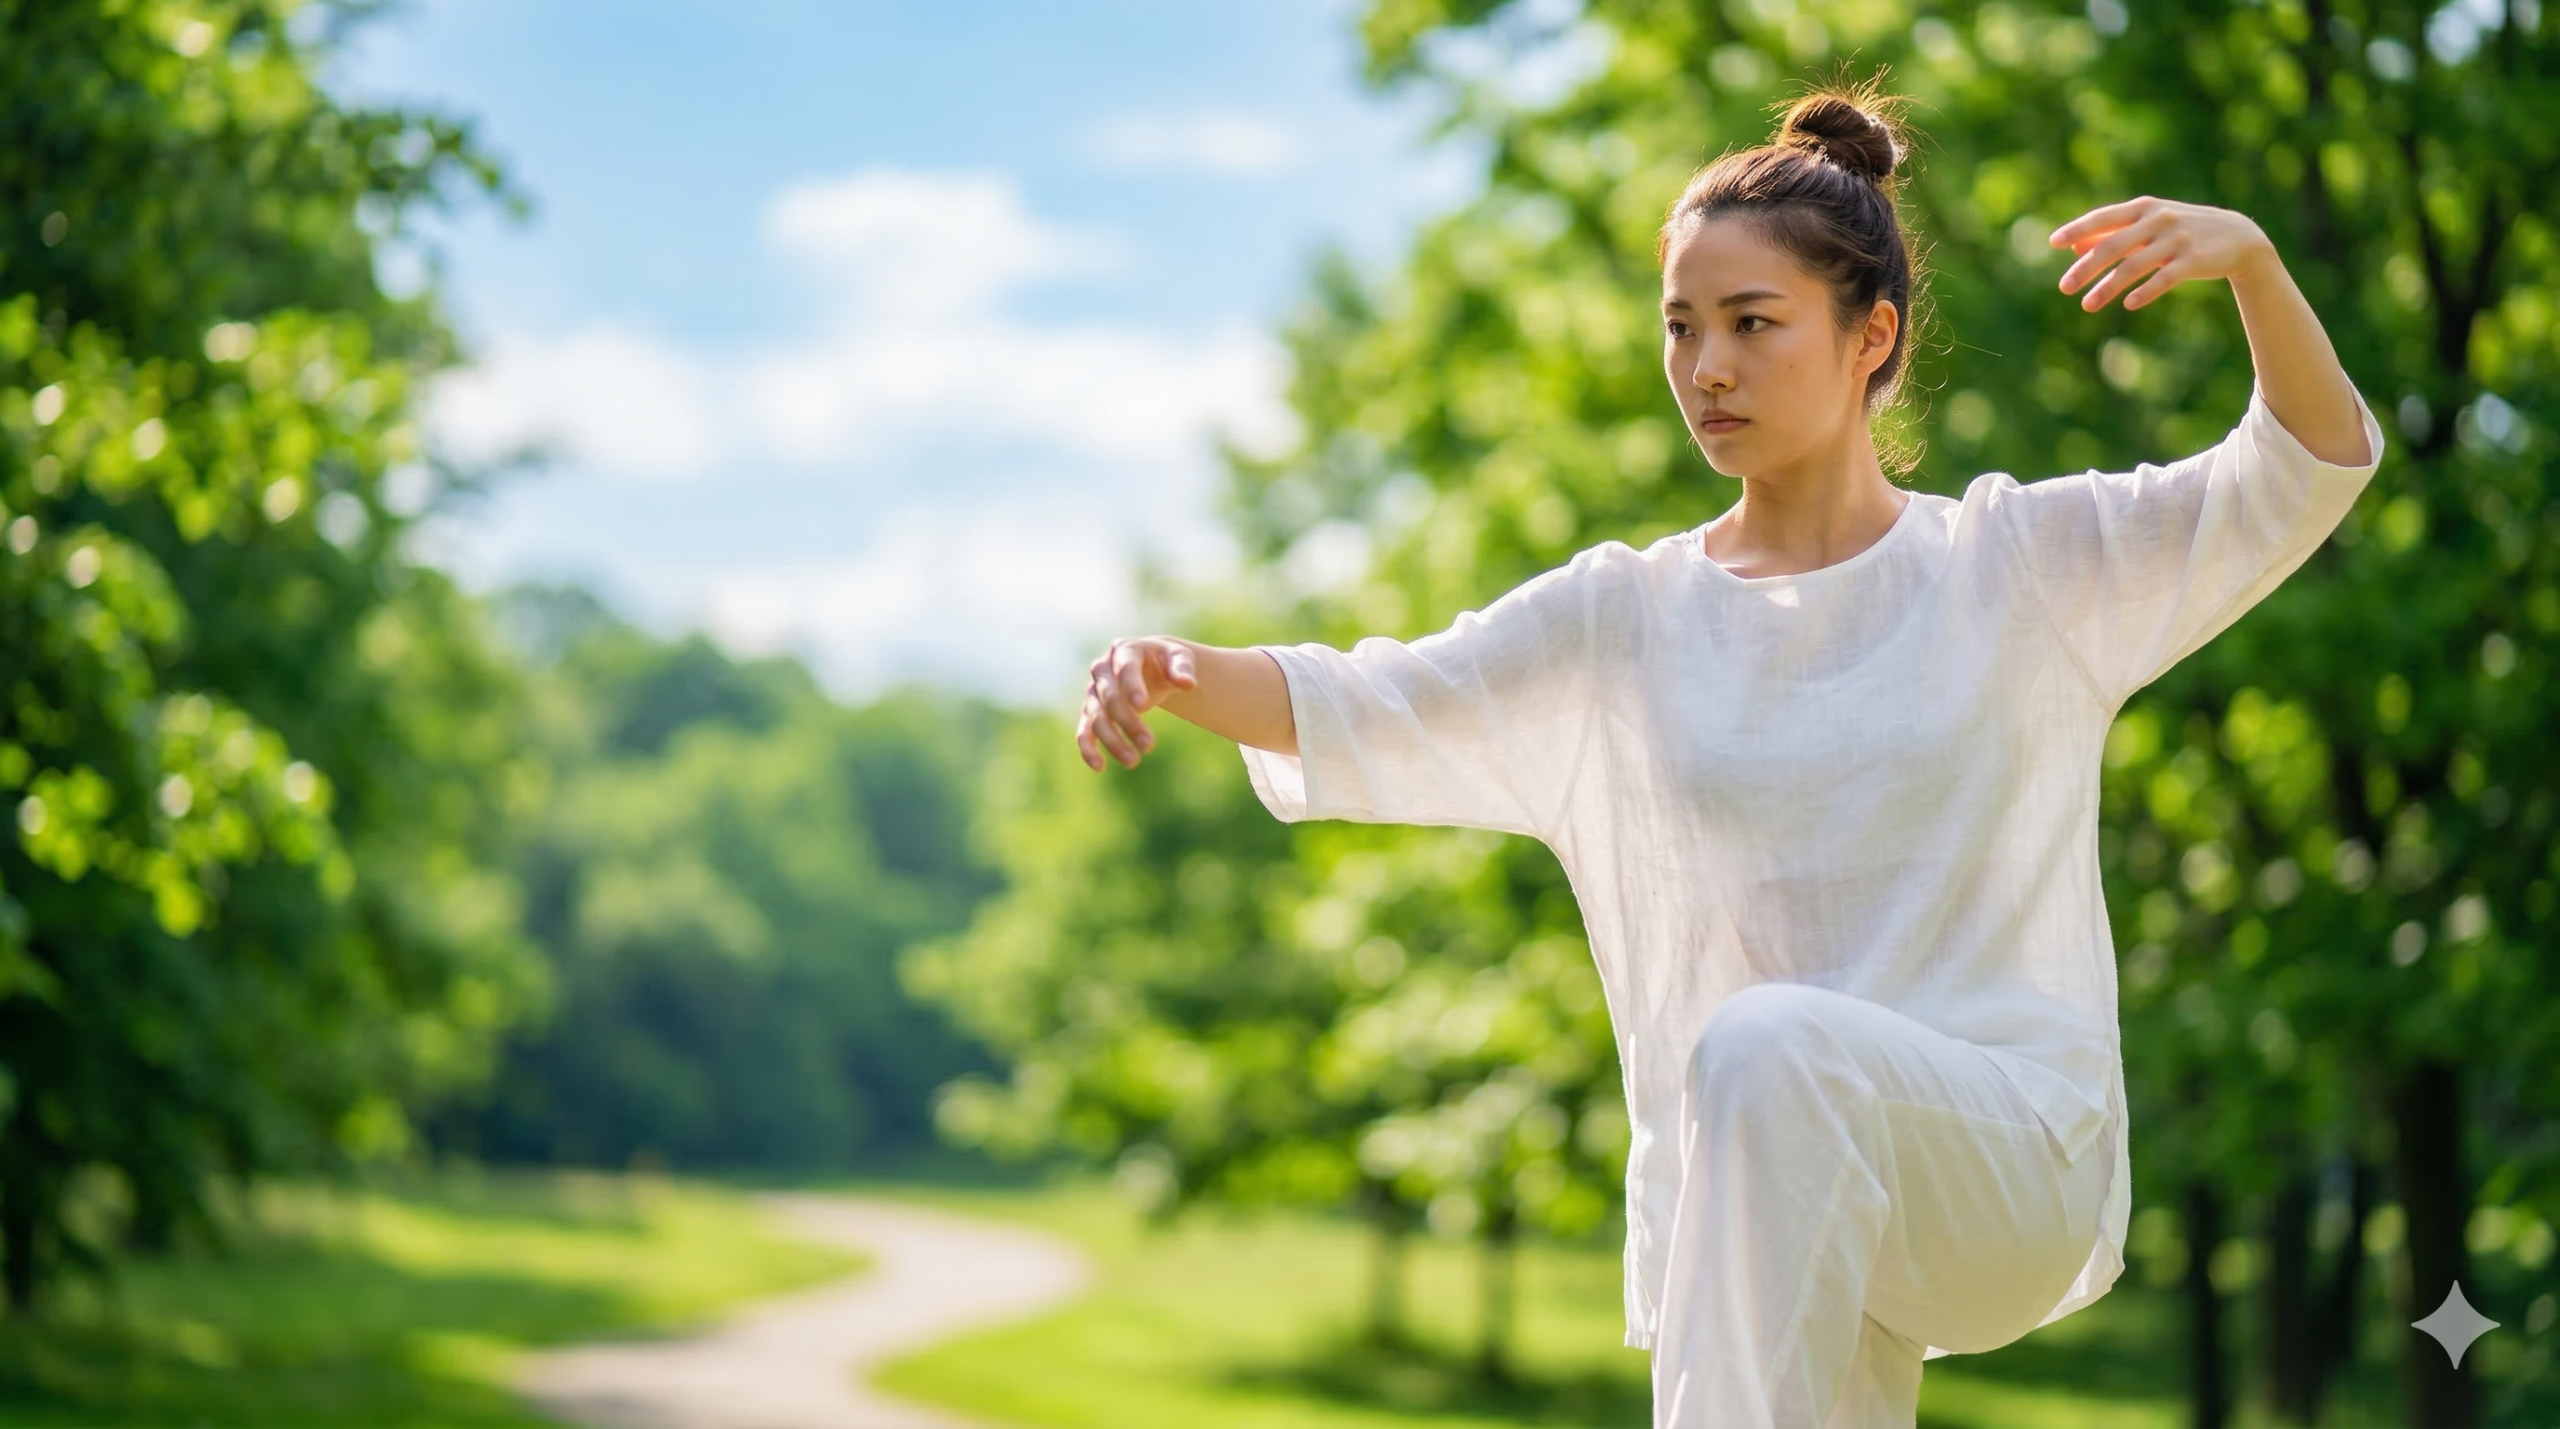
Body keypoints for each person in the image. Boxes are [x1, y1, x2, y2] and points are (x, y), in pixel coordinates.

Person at [1072, 74, 2383, 1429]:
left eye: (1753, 325)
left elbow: (2304, 467)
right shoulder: (1627, 619)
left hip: (2007, 1164)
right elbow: (1379, 698)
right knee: (1764, 1110)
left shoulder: (2015, 567)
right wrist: (1166, 670)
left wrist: (2257, 265)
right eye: (1682, 329)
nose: (1708, 369)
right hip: (1770, 1196)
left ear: (1871, 337)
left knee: (1761, 1048)